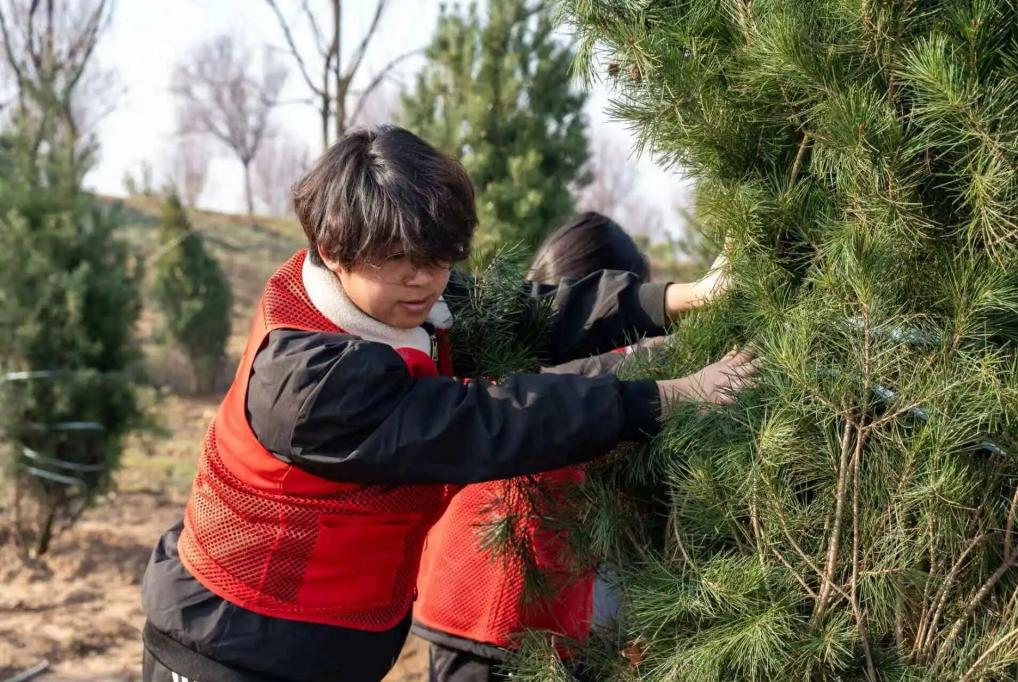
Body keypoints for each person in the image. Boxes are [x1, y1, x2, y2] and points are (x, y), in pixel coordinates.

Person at [139, 126, 756, 682]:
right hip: (231, 645)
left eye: (438, 259)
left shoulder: (395, 302)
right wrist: (664, 397)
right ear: (332, 248)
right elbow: (486, 423)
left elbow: (529, 312)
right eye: (398, 261)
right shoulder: (309, 380)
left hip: (309, 646)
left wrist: (681, 297)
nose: (424, 279)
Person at [412, 211, 710, 682]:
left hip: (502, 613)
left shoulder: (519, 353)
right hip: (491, 615)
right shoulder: (520, 366)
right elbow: (576, 387)